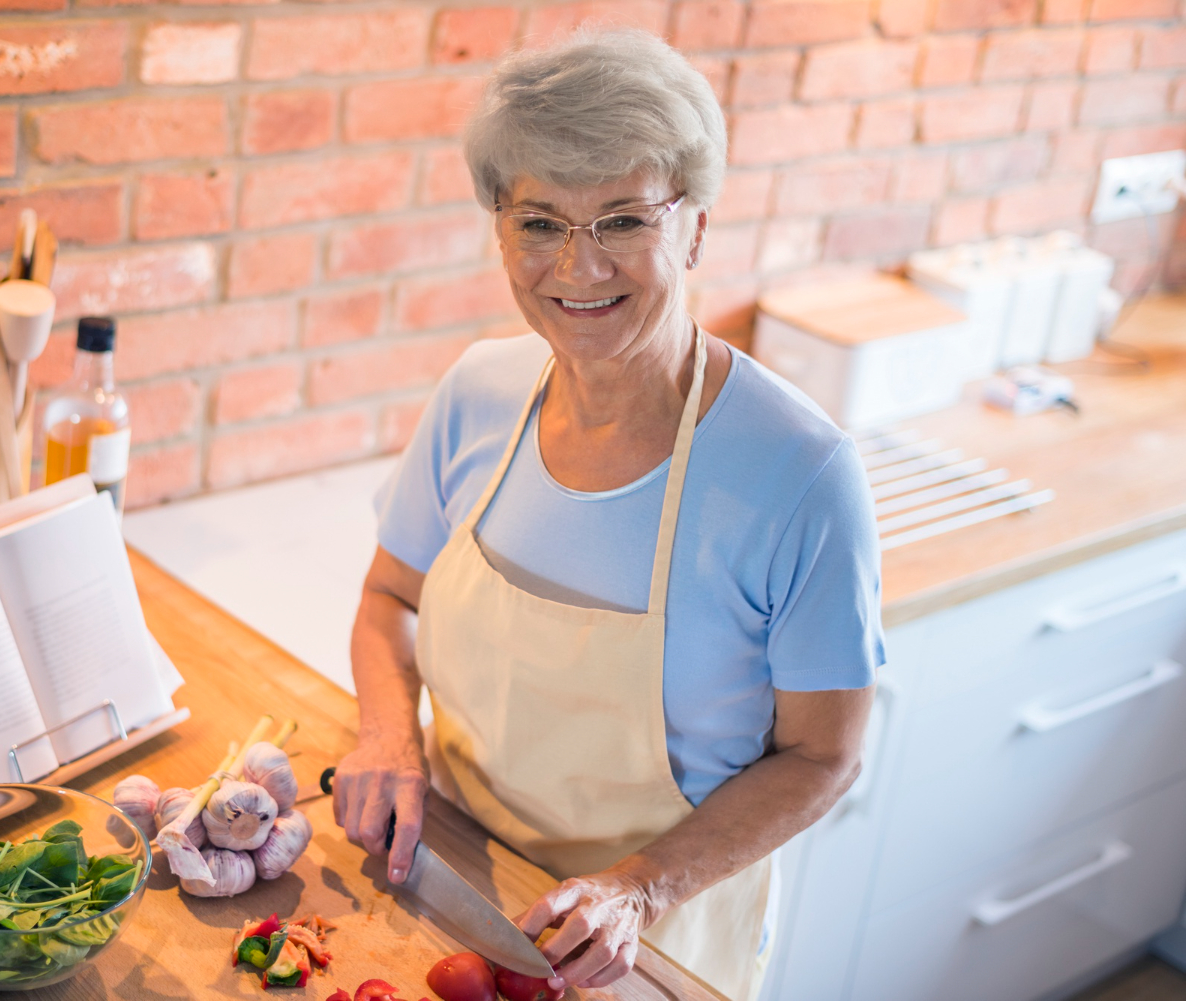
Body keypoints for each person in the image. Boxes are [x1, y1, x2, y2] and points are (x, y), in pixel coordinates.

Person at [332, 30, 882, 1001]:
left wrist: (639, 888)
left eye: (622, 219)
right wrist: (388, 732)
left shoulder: (802, 473)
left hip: (651, 944)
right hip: (460, 891)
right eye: (540, 221)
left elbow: (825, 753)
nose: (579, 268)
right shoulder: (477, 393)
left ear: (697, 227)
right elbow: (388, 597)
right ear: (499, 228)